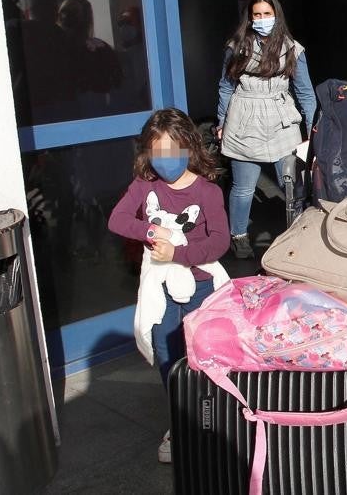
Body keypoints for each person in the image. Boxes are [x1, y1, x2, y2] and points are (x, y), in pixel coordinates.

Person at [108, 107, 230, 464]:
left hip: (201, 286)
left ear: (189, 147)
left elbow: (219, 242)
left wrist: (177, 252)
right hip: (160, 289)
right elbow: (117, 219)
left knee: (202, 354)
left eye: (173, 150)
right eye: (157, 151)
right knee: (166, 352)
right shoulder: (145, 186)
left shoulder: (207, 192)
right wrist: (151, 230)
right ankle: (180, 420)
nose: (165, 160)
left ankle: (209, 419)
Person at [215, 0, 317, 259]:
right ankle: (239, 236)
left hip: (282, 121)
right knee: (244, 188)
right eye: (257, 15)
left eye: (267, 14)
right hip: (243, 119)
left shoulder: (292, 49)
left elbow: (306, 93)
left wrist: (312, 131)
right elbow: (226, 87)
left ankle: (298, 236)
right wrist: (221, 122)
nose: (262, 19)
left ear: (276, 15)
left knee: (293, 187)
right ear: (250, 18)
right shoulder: (237, 47)